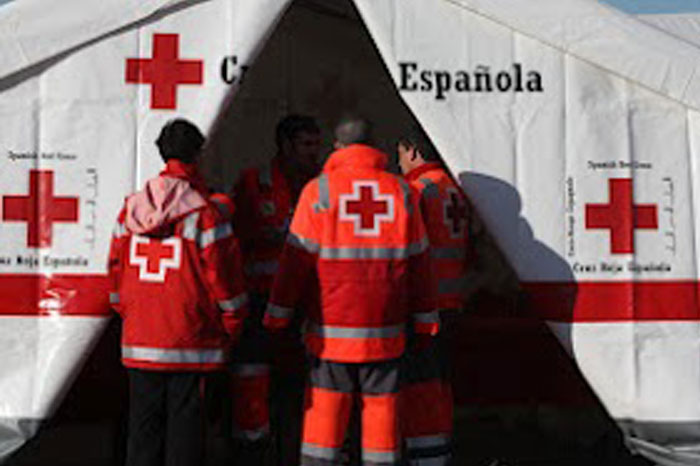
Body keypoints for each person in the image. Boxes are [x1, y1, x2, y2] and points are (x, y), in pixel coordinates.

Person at [263, 116, 439, 466]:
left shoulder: (319, 191)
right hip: (385, 336)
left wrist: (276, 318)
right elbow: (420, 266)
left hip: (330, 337)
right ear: (374, 147)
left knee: (324, 427)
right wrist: (425, 323)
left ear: (338, 148)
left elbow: (294, 263)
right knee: (382, 427)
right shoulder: (402, 191)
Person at [108, 118, 248, 466]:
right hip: (190, 339)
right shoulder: (204, 214)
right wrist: (232, 323)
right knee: (185, 438)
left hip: (141, 338)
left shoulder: (131, 208)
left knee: (142, 432)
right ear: (198, 153)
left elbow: (114, 268)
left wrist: (128, 311)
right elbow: (225, 280)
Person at [228, 115, 321, 463]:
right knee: (252, 380)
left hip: (304, 303)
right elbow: (234, 238)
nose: (315, 152)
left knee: (297, 385)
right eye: (307, 145)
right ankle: (252, 453)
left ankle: (292, 450)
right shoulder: (254, 182)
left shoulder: (322, 185)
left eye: (317, 144)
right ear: (285, 145)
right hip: (260, 302)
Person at [396, 125, 474, 465]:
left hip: (424, 308)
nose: (399, 163)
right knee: (441, 386)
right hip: (452, 303)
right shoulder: (453, 189)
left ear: (411, 151)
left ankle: (427, 456)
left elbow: (404, 250)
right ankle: (440, 448)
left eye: (399, 155)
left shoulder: (416, 190)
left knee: (420, 387)